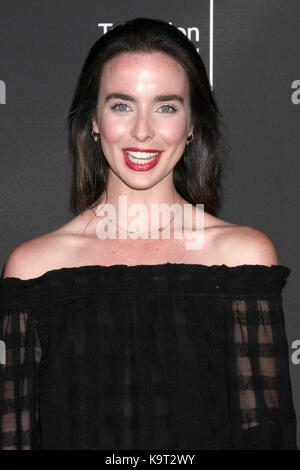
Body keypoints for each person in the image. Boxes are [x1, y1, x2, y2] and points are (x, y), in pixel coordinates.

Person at [0, 17, 297, 450]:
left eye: (166, 106)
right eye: (121, 105)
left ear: (192, 125)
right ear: (94, 121)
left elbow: (267, 440)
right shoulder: (35, 269)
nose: (142, 130)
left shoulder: (243, 260)